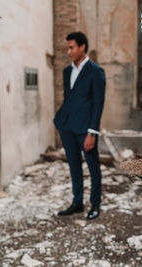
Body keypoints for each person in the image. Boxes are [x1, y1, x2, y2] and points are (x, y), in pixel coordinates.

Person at [54, 32, 106, 220]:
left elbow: (98, 103)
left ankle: (95, 205)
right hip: (67, 126)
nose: (68, 51)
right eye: (67, 48)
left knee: (93, 168)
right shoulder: (67, 71)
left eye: (71, 47)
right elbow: (69, 99)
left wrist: (92, 132)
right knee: (74, 166)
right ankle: (77, 202)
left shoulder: (95, 71)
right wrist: (60, 121)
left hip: (86, 129)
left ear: (82, 47)